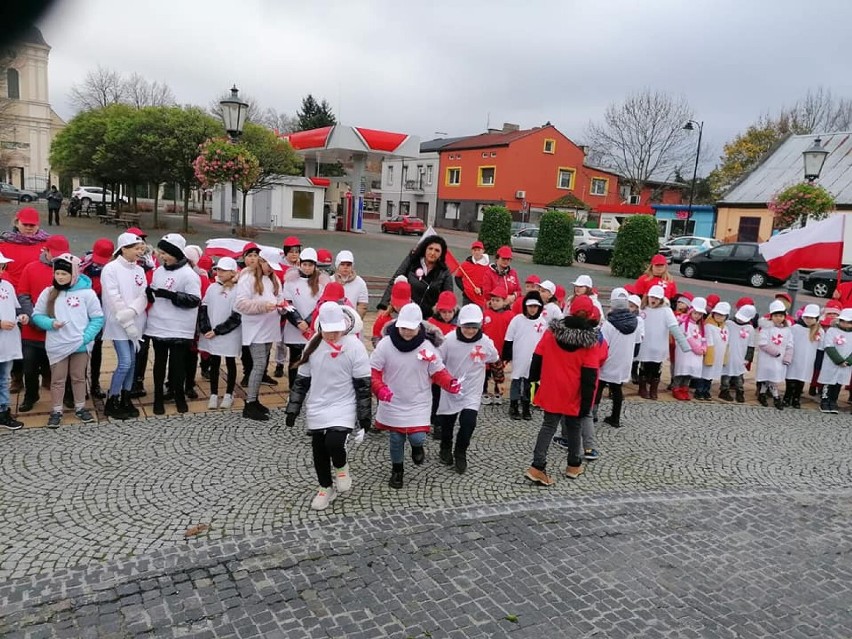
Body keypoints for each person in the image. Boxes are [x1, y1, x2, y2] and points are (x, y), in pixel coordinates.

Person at [285, 302, 372, 510]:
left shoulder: (354, 346)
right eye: (327, 331)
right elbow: (302, 379)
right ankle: (325, 487)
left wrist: (364, 418)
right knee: (319, 447)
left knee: (334, 442)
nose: (332, 336)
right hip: (318, 402)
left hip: (344, 402)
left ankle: (341, 466)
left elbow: (363, 384)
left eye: (336, 331)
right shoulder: (313, 344)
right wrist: (293, 408)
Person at [370, 303, 461, 489]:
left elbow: (438, 372)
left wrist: (450, 383)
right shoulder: (385, 344)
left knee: (417, 436)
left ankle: (417, 446)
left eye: (411, 329)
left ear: (419, 326)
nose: (406, 332)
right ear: (397, 325)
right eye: (403, 328)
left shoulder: (426, 346)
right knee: (396, 438)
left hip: (418, 400)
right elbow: (373, 371)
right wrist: (379, 389)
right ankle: (397, 471)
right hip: (393, 398)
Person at [524, 295, 601, 486]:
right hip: (573, 392)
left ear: (570, 309)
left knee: (548, 426)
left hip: (551, 387)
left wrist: (532, 381)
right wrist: (587, 402)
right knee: (574, 426)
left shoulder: (551, 332)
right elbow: (590, 375)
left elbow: (537, 357)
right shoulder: (590, 342)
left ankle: (537, 465)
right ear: (591, 314)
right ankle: (573, 465)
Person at [31, 254, 104, 428]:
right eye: (57, 274)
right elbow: (37, 315)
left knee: (79, 377)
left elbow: (97, 318)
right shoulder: (49, 292)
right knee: (58, 379)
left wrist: (85, 338)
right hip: (58, 344)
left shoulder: (87, 293)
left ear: (74, 274)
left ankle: (80, 408)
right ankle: (56, 410)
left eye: (64, 274)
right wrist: (50, 323)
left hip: (80, 344)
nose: (60, 277)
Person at [436, 304, 499, 474]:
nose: (470, 331)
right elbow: (438, 360)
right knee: (447, 423)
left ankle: (460, 452)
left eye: (474, 327)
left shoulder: (484, 341)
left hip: (472, 390)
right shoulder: (448, 340)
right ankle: (445, 447)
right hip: (451, 389)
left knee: (468, 423)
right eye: (466, 327)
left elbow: (494, 356)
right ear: (460, 325)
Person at [145, 234, 202, 415]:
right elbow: (155, 293)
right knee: (159, 364)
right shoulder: (159, 271)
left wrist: (170, 295)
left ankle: (179, 395)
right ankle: (158, 398)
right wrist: (149, 293)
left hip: (179, 326)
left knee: (177, 365)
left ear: (176, 253)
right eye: (160, 253)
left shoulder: (188, 274)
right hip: (159, 323)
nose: (162, 257)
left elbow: (194, 300)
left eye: (166, 253)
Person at [16, 234, 70, 412]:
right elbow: (23, 295)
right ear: (45, 250)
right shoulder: (31, 268)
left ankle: (66, 396)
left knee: (60, 367)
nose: (57, 258)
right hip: (33, 330)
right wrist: (34, 319)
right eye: (54, 253)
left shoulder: (69, 270)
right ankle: (31, 394)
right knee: (29, 366)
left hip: (58, 330)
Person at [100, 232, 148, 420]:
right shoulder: (111, 269)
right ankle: (113, 398)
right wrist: (126, 320)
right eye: (136, 249)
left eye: (141, 249)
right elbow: (113, 298)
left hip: (136, 320)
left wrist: (133, 313)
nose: (140, 252)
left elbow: (143, 294)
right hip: (118, 324)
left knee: (133, 362)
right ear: (124, 249)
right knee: (125, 362)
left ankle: (126, 398)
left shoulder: (139, 270)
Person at [236, 248, 285, 421]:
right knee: (259, 365)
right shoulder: (248, 279)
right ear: (261, 262)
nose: (270, 269)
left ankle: (254, 399)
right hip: (255, 329)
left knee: (262, 364)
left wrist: (281, 305)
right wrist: (263, 306)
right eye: (268, 265)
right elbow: (241, 304)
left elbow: (279, 296)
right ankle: (249, 404)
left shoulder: (273, 279)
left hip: (269, 328)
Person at [281, 248, 329, 390]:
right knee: (295, 360)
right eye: (305, 264)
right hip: (295, 327)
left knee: (312, 359)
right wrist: (298, 321)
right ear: (300, 264)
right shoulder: (290, 281)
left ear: (315, 266)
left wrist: (308, 322)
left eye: (310, 265)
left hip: (312, 327)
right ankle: (293, 390)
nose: (307, 268)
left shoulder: (322, 283)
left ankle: (310, 390)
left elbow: (321, 305)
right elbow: (287, 303)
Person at [198, 257, 242, 411]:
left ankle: (229, 393)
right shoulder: (212, 287)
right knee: (214, 362)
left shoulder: (238, 289)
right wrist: (206, 328)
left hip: (228, 333)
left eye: (223, 270)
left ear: (232, 272)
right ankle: (213, 394)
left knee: (230, 362)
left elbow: (237, 316)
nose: (220, 272)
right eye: (218, 269)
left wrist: (218, 331)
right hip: (211, 332)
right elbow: (204, 307)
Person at [377, 234, 454, 319]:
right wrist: (383, 306)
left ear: (441, 254)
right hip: (403, 313)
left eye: (437, 250)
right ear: (425, 249)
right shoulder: (412, 260)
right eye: (430, 248)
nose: (432, 253)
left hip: (428, 318)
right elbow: (394, 282)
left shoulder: (444, 271)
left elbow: (448, 295)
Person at [594, 288, 640, 428]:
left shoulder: (609, 324)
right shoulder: (635, 322)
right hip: (624, 361)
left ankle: (593, 414)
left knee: (599, 386)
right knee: (617, 388)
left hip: (608, 361)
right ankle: (615, 417)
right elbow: (637, 344)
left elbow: (602, 345)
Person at [637, 285, 689, 400]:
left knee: (656, 368)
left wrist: (684, 345)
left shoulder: (666, 311)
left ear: (661, 299)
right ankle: (642, 388)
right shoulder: (643, 309)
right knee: (644, 367)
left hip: (659, 346)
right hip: (645, 344)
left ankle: (653, 389)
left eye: (656, 298)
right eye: (652, 297)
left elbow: (674, 328)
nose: (653, 300)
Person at [503, 291, 548, 420]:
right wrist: (507, 356)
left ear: (539, 307)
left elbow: (545, 341)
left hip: (534, 358)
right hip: (519, 356)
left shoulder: (543, 322)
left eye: (535, 306)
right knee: (516, 380)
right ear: (525, 306)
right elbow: (509, 339)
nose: (532, 309)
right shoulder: (517, 320)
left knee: (529, 382)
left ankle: (526, 406)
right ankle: (514, 405)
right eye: (530, 306)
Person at [81, 237, 114, 401]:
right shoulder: (82, 267)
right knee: (82, 351)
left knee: (97, 350)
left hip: (100, 315)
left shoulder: (112, 270)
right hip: (83, 314)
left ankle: (95, 383)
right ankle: (82, 385)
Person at [0, 251, 28, 430]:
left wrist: (22, 316)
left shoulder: (7, 286)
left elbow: (15, 307)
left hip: (7, 341)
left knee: (4, 378)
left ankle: (3, 411)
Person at [756, 300, 794, 409]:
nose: (778, 318)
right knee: (770, 377)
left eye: (781, 316)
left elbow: (790, 344)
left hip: (780, 359)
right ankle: (776, 397)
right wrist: (775, 352)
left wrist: (787, 356)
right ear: (771, 316)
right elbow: (763, 343)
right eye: (776, 315)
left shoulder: (787, 330)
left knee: (772, 377)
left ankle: (762, 394)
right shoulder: (766, 328)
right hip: (768, 358)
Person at [784, 304, 822, 409]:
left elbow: (821, 347)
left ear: (817, 318)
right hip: (795, 357)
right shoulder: (796, 328)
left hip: (808, 359)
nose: (808, 320)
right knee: (791, 378)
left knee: (801, 379)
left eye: (811, 318)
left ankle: (796, 398)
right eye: (807, 317)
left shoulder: (819, 331)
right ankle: (787, 397)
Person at [672, 297, 708, 401]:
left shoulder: (700, 326)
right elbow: (688, 338)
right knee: (682, 371)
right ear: (691, 312)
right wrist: (697, 349)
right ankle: (676, 388)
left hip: (696, 354)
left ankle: (684, 388)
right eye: (695, 313)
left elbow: (703, 337)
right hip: (686, 352)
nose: (697, 316)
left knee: (689, 373)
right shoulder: (684, 324)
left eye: (700, 314)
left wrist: (704, 347)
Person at [481, 285, 512, 405]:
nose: (494, 303)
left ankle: (497, 392)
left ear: (504, 302)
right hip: (487, 350)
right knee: (485, 372)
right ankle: (484, 392)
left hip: (501, 349)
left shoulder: (509, 315)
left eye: (497, 300)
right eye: (493, 300)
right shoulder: (486, 314)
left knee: (499, 373)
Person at [720, 304, 756, 403]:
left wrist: (748, 358)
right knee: (725, 375)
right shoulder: (728, 323)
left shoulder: (750, 329)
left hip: (740, 357)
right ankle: (724, 390)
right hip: (728, 355)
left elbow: (751, 345)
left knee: (739, 378)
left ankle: (740, 392)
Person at [818, 307, 852, 413]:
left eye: (848, 322)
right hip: (832, 362)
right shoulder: (832, 331)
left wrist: (848, 361)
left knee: (838, 383)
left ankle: (833, 401)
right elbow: (829, 346)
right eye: (843, 321)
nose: (845, 324)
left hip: (846, 364)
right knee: (829, 382)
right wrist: (839, 360)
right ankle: (825, 400)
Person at [696, 302, 730, 401]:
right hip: (710, 355)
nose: (719, 316)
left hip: (719, 356)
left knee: (711, 375)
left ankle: (706, 390)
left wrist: (724, 357)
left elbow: (726, 343)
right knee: (705, 374)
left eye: (722, 315)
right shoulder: (709, 326)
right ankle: (699, 391)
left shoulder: (726, 328)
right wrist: (709, 357)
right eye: (717, 314)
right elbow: (709, 342)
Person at [372, 278, 411, 348]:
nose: (400, 307)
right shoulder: (383, 319)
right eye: (397, 303)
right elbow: (376, 339)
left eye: (403, 304)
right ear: (391, 301)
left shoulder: (415, 318)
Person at [333, 250, 369, 318]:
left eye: (348, 265)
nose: (345, 267)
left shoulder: (360, 282)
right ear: (337, 265)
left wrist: (356, 321)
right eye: (342, 264)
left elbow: (362, 305)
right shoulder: (330, 280)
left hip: (352, 319)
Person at [455, 240, 490, 307]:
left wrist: (481, 290)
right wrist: (464, 289)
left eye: (479, 250)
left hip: (480, 298)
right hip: (467, 297)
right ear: (472, 251)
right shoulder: (465, 264)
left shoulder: (487, 267)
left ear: (483, 251)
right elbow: (457, 278)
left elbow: (488, 283)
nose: (476, 252)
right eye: (474, 250)